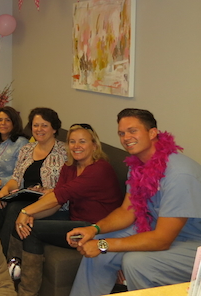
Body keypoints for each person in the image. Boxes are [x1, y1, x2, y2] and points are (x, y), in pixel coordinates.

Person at [67, 109, 201, 295]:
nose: (125, 137)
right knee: (97, 244)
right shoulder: (138, 165)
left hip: (194, 243)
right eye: (121, 133)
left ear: (152, 133)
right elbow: (127, 211)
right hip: (157, 229)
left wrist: (103, 245)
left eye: (132, 131)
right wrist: (94, 229)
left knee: (135, 262)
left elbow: (162, 240)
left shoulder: (179, 174)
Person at [12, 124, 123, 296]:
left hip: (95, 229)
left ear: (94, 145)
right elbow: (56, 203)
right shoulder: (70, 167)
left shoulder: (100, 169)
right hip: (75, 222)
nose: (76, 146)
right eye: (72, 141)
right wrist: (30, 215)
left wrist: (26, 212)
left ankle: (26, 291)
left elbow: (60, 194)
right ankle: (14, 274)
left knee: (30, 227)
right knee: (22, 224)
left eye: (82, 141)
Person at [0, 107, 67, 257]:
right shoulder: (26, 149)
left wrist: (48, 191)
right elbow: (16, 178)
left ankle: (1, 258)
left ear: (54, 128)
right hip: (25, 196)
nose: (39, 129)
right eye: (35, 125)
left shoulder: (65, 152)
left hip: (50, 203)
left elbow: (67, 187)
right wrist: (4, 190)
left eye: (44, 125)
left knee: (14, 208)